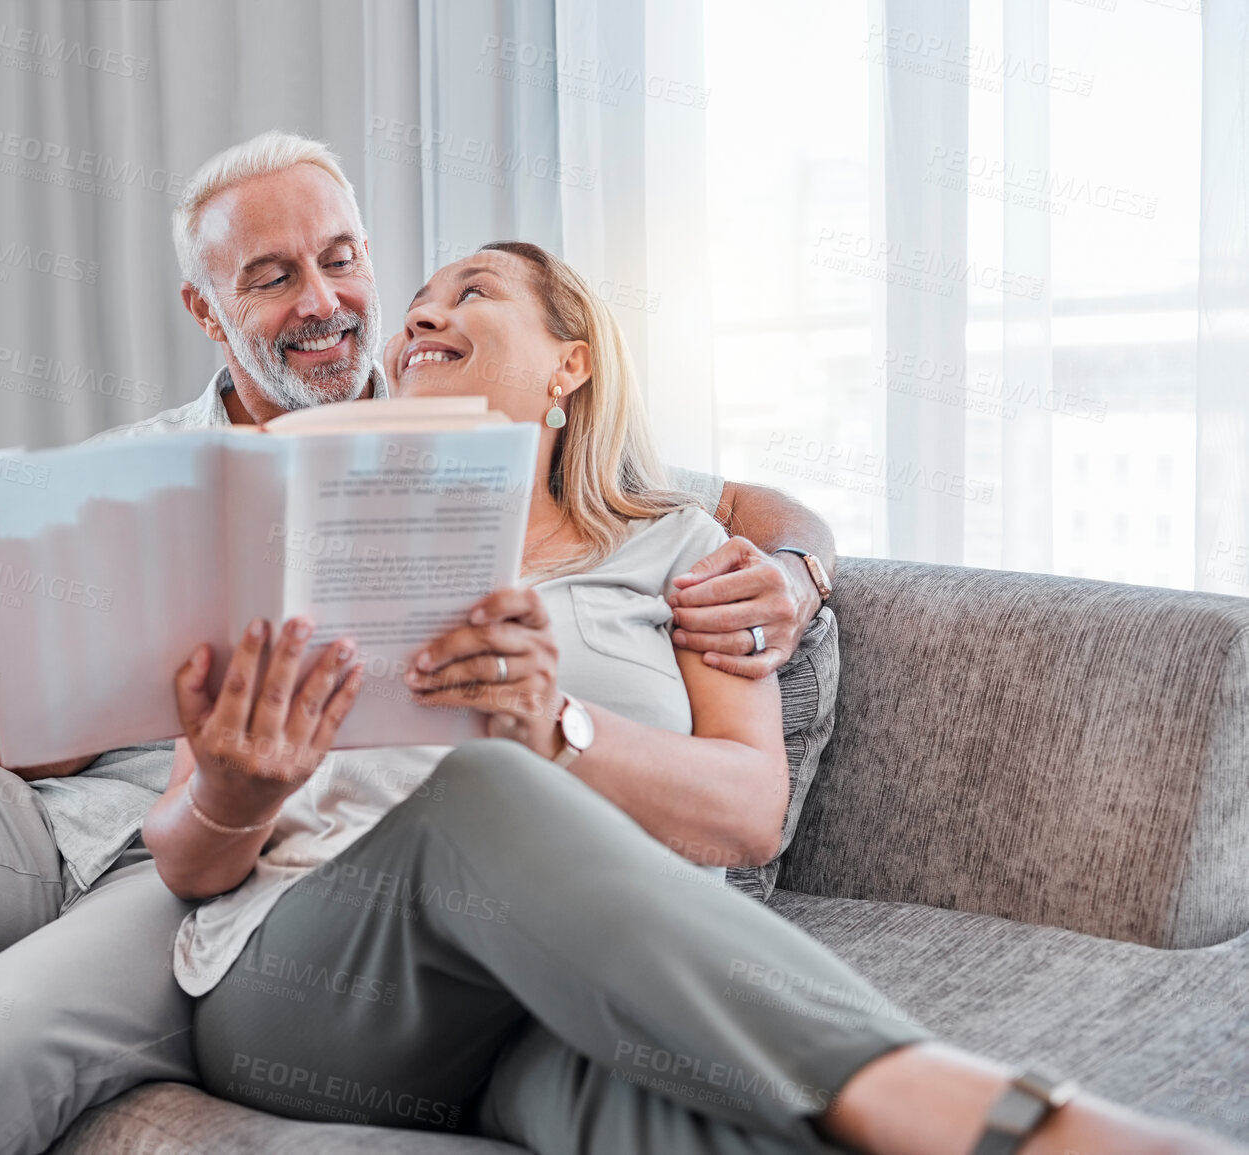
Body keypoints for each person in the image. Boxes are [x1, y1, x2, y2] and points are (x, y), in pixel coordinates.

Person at [0, 132, 832, 1155]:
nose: (324, 301)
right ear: (207, 309)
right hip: (84, 823)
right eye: (273, 277)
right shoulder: (140, 466)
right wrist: (168, 655)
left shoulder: (457, 419)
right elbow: (1, 737)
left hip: (248, 861)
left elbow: (689, 501)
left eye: (342, 259)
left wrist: (795, 570)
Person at [142, 240, 1240, 1155]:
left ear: (569, 366)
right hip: (318, 984)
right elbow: (186, 860)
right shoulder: (298, 538)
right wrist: (237, 792)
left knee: (680, 1116)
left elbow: (748, 809)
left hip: (560, 1002)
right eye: (415, 308)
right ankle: (982, 1111)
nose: (421, 318)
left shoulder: (686, 552)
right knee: (482, 781)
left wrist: (559, 730)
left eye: (469, 293)